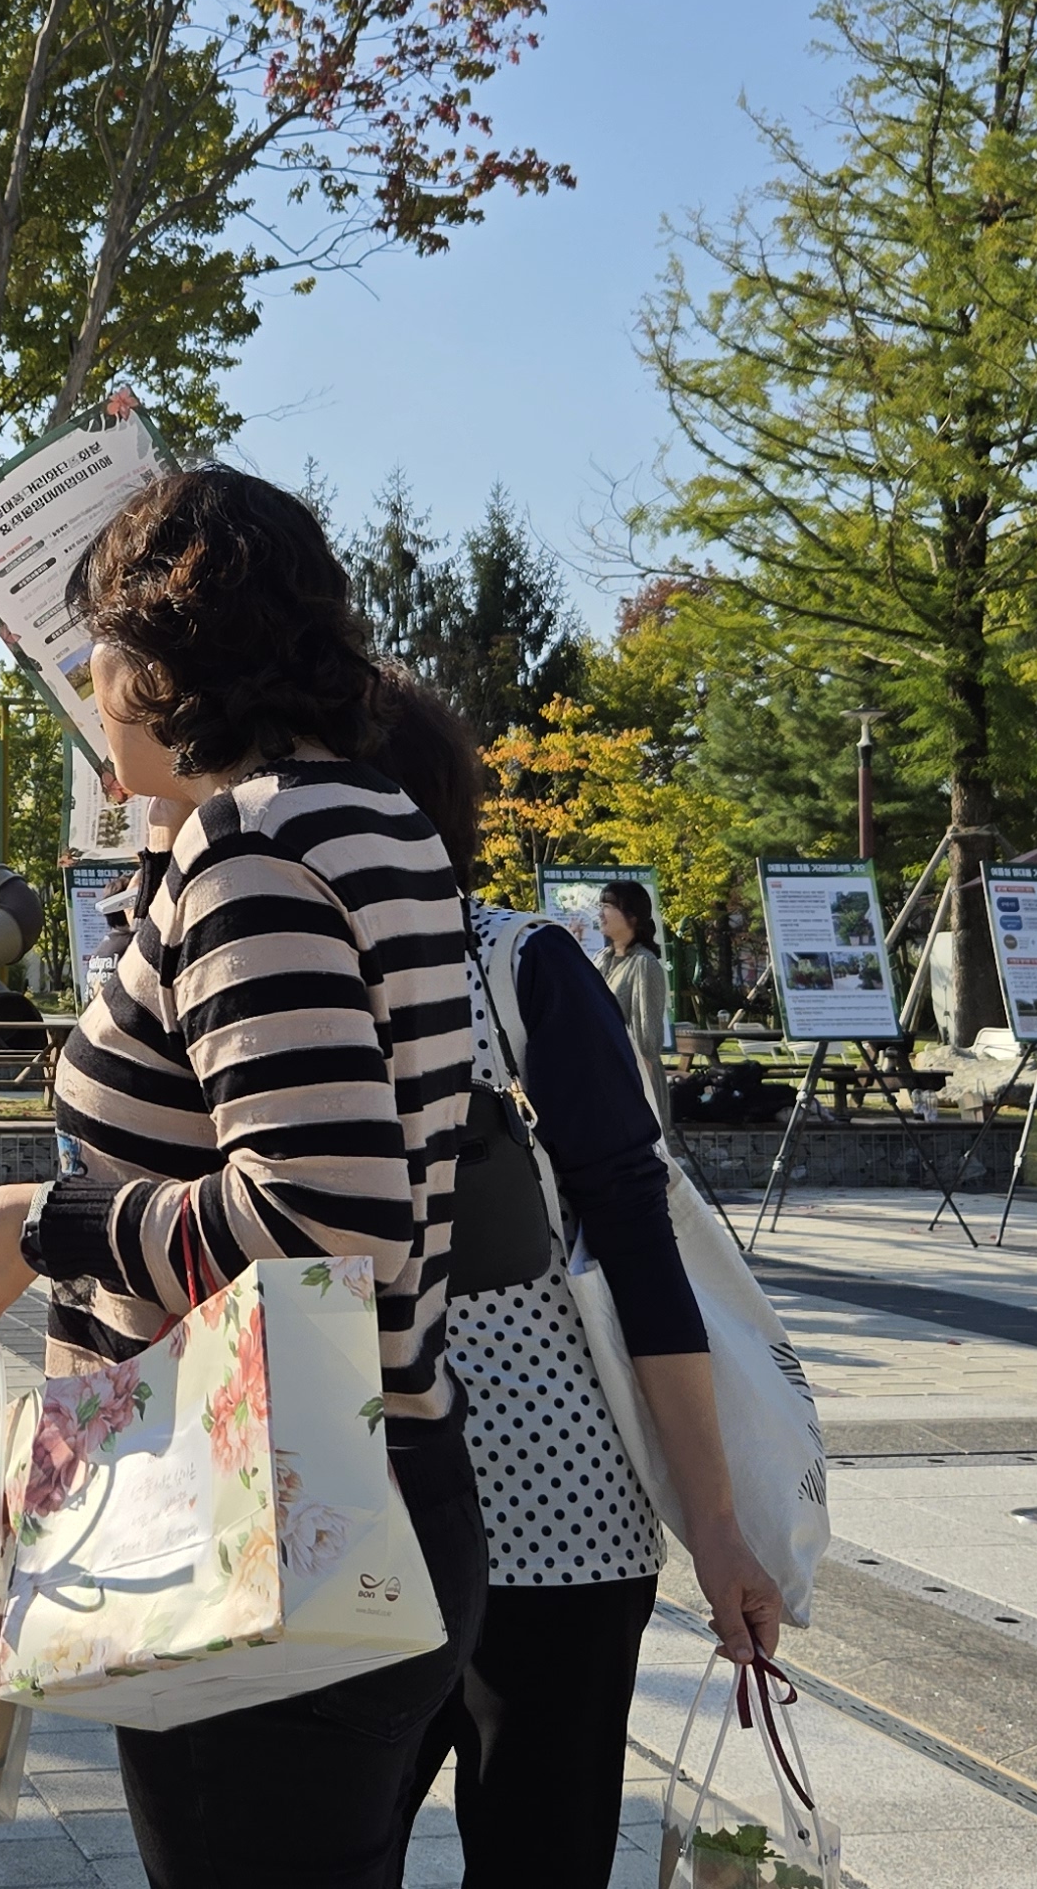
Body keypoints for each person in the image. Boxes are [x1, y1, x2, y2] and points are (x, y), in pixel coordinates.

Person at [0, 467, 482, 1889]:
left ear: (152, 666)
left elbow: (322, 1218)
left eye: (96, 655)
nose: (88, 690)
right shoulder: (361, 818)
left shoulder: (255, 847)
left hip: (262, 1517)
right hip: (373, 1477)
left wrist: (43, 1228)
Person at [371, 677, 778, 1887]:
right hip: (351, 1512)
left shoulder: (523, 961)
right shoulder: (272, 976)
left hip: (550, 1520)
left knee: (538, 1857)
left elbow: (637, 1244)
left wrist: (715, 1520)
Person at [592, 878, 675, 1138]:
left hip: (633, 1086)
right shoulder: (602, 959)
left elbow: (647, 1043)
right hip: (603, 1080)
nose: (600, 913)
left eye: (608, 906)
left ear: (632, 916)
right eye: (600, 905)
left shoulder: (644, 964)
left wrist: (643, 1107)